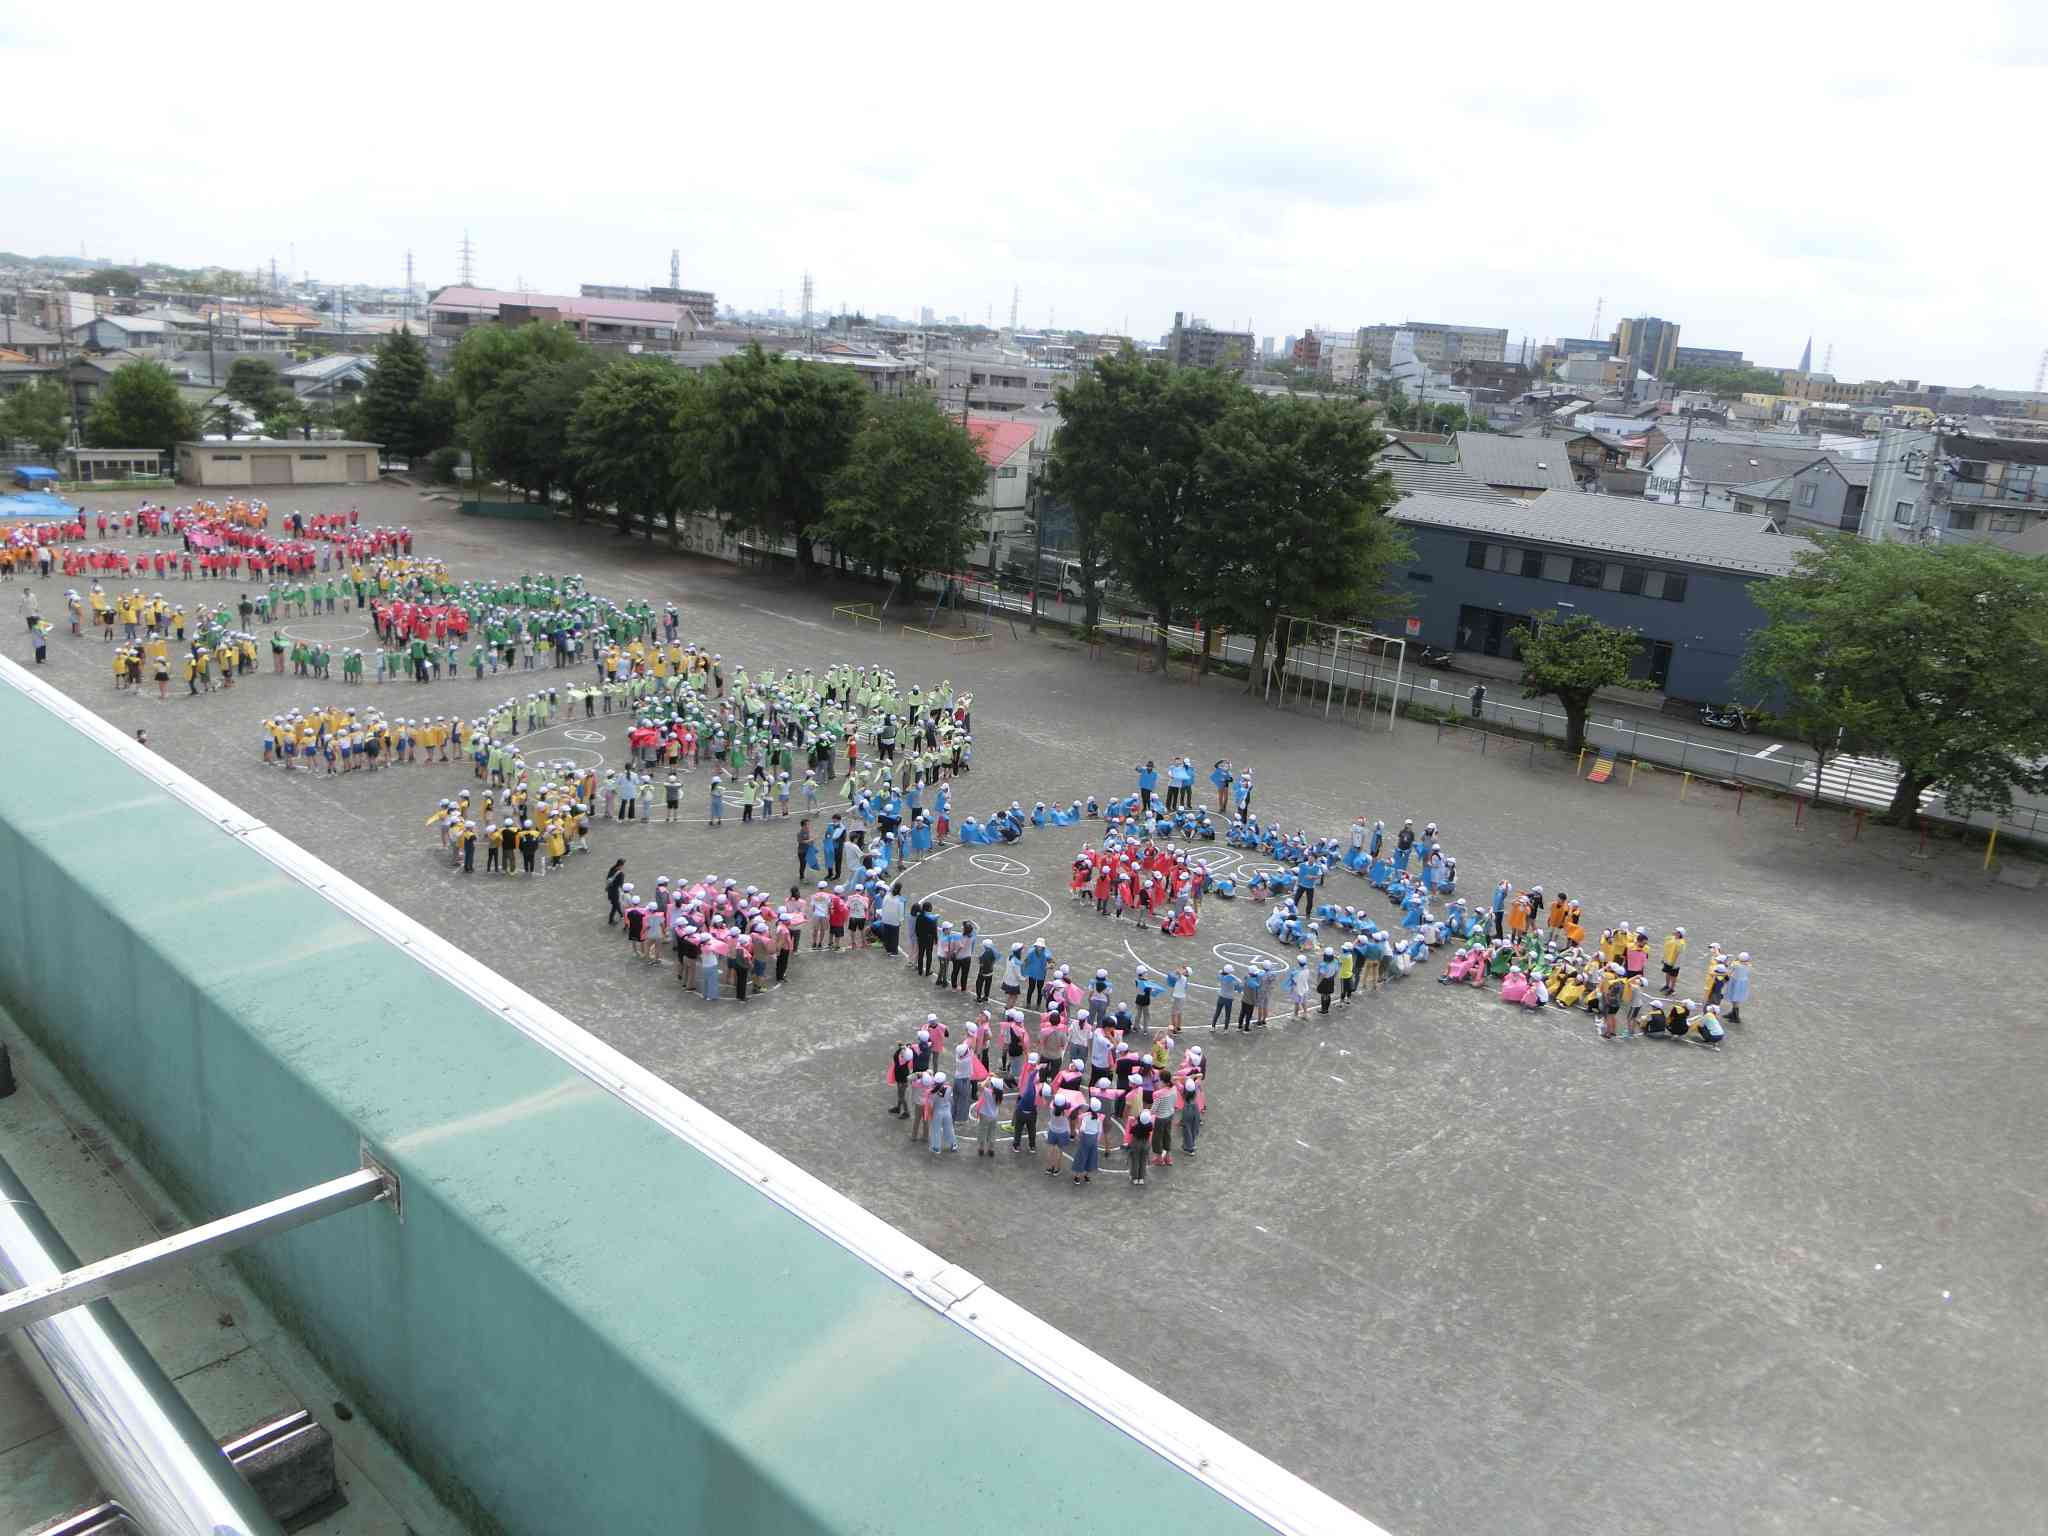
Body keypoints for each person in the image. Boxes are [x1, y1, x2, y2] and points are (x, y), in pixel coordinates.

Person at [1660, 927, 1687, 995]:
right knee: (1667, 973)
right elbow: (1666, 948)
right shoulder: (1671, 938)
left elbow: (1681, 955)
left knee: (1673, 976)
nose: (1674, 932)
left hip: (1674, 963)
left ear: (1679, 934)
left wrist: (1677, 964)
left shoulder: (1682, 943)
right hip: (1668, 961)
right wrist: (1664, 958)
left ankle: (1672, 989)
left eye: (1676, 931)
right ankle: (1667, 985)